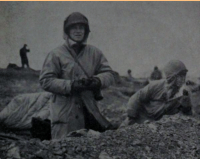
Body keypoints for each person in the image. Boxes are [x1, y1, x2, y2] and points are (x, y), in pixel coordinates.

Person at [39, 12, 115, 139]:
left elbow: (109, 74)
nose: (78, 31)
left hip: (90, 112)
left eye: (82, 27)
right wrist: (71, 85)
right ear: (67, 31)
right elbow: (45, 80)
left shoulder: (94, 52)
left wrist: (98, 81)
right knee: (62, 150)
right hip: (65, 115)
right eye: (74, 27)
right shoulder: (56, 54)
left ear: (86, 31)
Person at [120, 60, 192, 126]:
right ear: (171, 77)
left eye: (184, 75)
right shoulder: (156, 86)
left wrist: (187, 107)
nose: (183, 79)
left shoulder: (184, 93)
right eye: (179, 76)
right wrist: (132, 116)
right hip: (140, 117)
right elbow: (136, 98)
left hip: (156, 124)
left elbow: (187, 116)